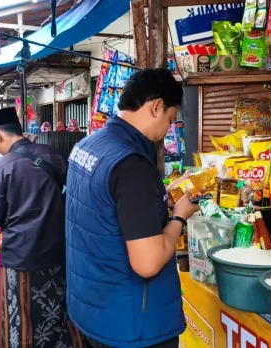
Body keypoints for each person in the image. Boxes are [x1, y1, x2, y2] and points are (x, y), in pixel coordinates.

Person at [65, 68, 198, 348]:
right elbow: (147, 263)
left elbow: (108, 210)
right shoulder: (132, 164)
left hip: (93, 308)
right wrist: (179, 217)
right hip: (131, 324)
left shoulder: (89, 145)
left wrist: (161, 198)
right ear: (157, 106)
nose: (168, 129)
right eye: (170, 119)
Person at [0, 108, 81, 348]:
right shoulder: (53, 154)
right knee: (58, 314)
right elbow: (74, 195)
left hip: (21, 258)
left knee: (21, 319)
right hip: (59, 253)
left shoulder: (0, 168)